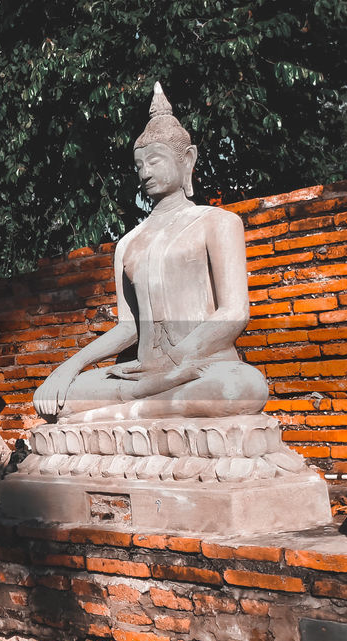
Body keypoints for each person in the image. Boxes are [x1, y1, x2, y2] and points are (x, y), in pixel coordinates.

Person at [32, 82, 267, 424]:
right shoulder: (128, 242)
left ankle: (118, 415)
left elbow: (234, 311)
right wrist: (70, 366)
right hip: (143, 375)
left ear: (187, 160)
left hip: (202, 368)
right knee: (65, 397)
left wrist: (177, 360)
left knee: (242, 388)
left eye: (154, 161)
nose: (144, 172)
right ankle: (132, 408)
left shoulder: (217, 222)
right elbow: (128, 327)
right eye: (139, 165)